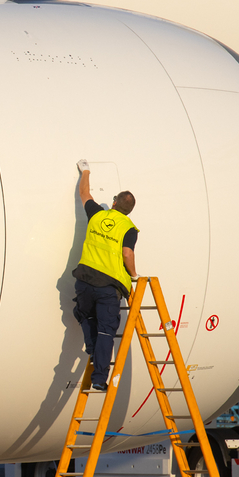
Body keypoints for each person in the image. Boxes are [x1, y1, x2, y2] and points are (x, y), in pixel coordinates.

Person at [72, 160, 138, 391]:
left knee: (82, 312)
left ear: (113, 202)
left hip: (84, 280)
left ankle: (91, 348)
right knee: (106, 331)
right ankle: (99, 378)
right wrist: (134, 275)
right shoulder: (128, 228)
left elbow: (84, 193)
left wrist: (86, 170)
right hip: (107, 287)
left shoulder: (96, 215)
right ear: (130, 210)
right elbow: (127, 253)